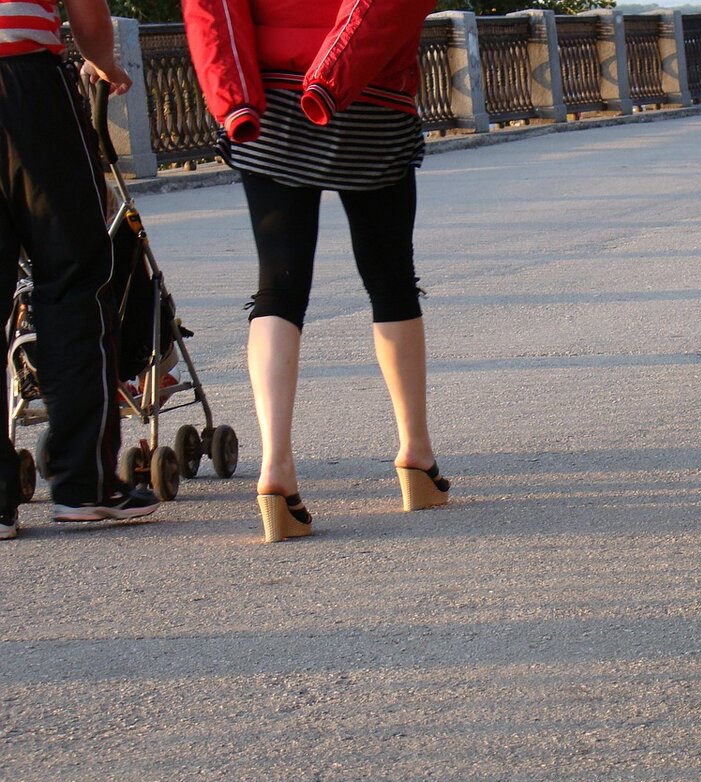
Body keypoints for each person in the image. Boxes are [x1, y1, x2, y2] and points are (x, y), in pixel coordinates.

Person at [183, 0, 447, 543]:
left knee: (277, 288)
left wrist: (231, 100)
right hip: (371, 94)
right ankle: (416, 458)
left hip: (267, 104)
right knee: (391, 282)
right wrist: (334, 75)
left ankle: (276, 468)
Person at [0, 0, 160, 540]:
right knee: (73, 279)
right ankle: (82, 485)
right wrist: (105, 64)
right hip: (28, 86)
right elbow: (87, 15)